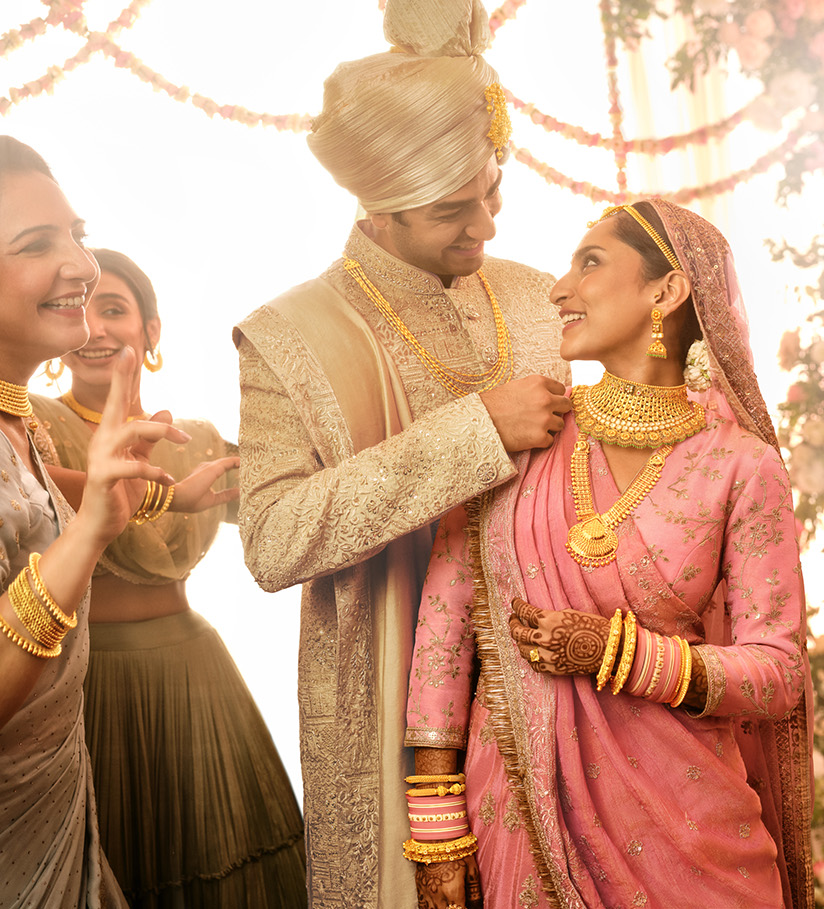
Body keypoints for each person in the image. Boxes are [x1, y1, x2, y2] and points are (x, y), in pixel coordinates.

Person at [232, 0, 570, 903]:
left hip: (567, 701)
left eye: (495, 190)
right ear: (377, 209)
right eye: (452, 211)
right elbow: (270, 540)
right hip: (382, 708)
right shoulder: (286, 336)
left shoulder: (544, 299)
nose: (487, 227)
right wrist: (474, 434)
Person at [406, 200, 815, 909]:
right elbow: (444, 631)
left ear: (666, 291)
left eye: (590, 263)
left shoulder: (738, 465)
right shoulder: (522, 429)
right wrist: (437, 828)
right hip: (523, 820)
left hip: (692, 837)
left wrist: (620, 655)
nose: (560, 289)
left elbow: (779, 671)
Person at [33, 248, 307, 908]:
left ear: (151, 332)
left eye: (116, 309)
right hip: (90, 683)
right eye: (82, 308)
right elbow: (39, 489)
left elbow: (293, 507)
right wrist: (159, 494)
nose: (95, 327)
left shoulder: (201, 440)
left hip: (199, 676)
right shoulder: (34, 427)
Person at [0, 136, 193, 907]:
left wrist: (146, 497)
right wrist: (88, 537)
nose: (82, 264)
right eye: (36, 243)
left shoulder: (18, 425)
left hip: (56, 804)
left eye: (76, 234)